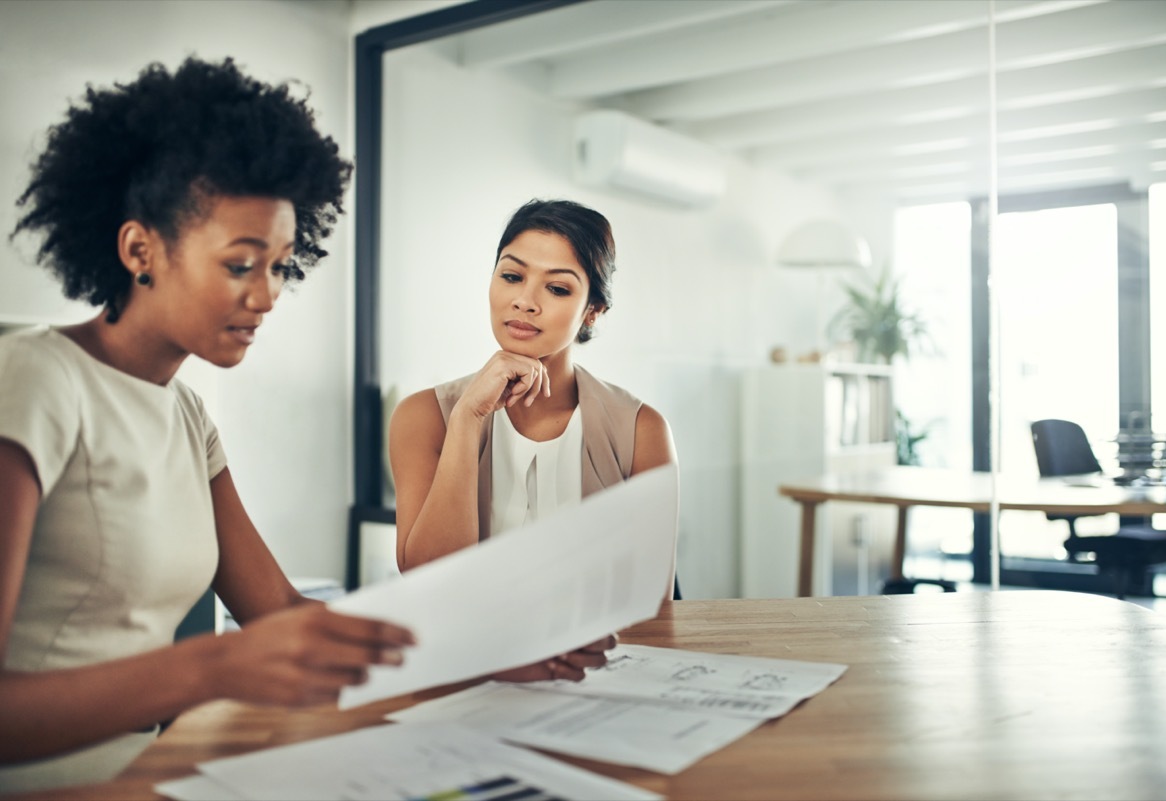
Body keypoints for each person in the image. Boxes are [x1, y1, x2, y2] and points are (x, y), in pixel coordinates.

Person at [0, 57, 415, 794]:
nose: (267, 295)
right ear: (139, 251)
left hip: (154, 771)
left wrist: (479, 648)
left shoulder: (187, 411)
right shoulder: (33, 379)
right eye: (241, 264)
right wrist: (212, 667)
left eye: (281, 265)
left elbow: (281, 613)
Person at [387, 198, 678, 682]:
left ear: (592, 312)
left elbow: (651, 608)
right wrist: (467, 420)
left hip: (595, 680)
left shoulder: (641, 429)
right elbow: (427, 582)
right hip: (459, 679)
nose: (525, 300)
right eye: (512, 276)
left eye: (558, 287)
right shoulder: (424, 417)